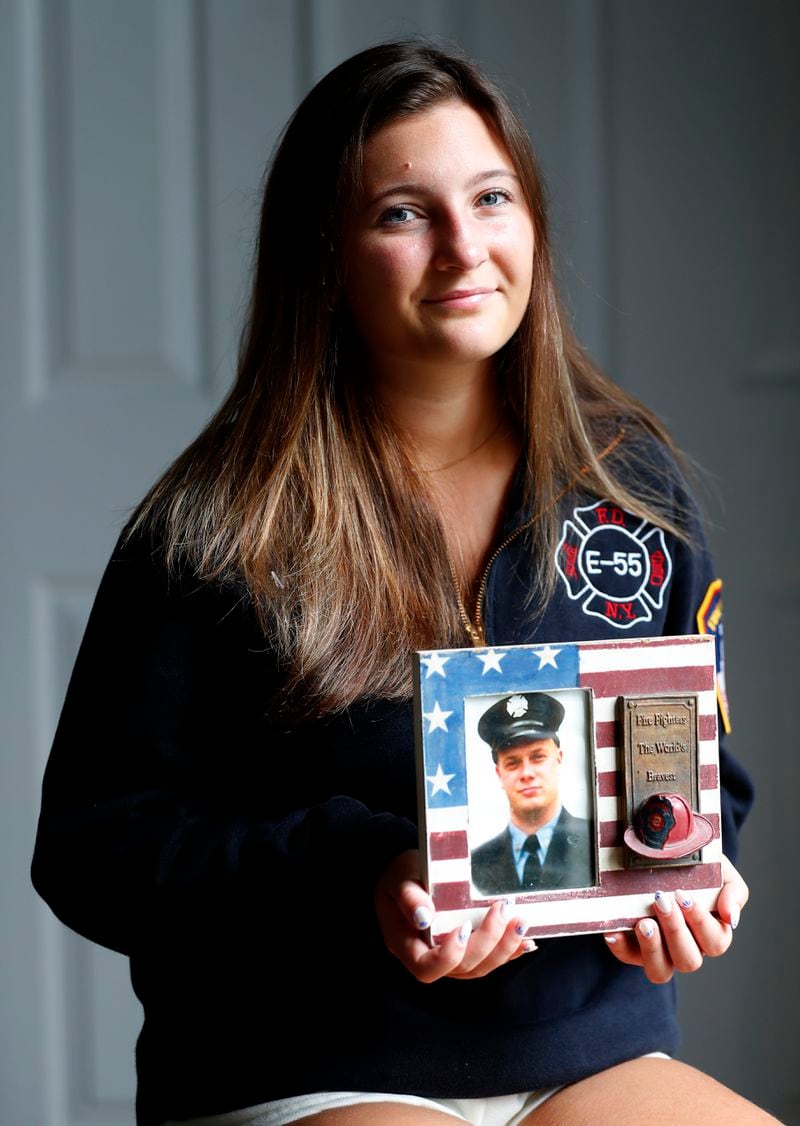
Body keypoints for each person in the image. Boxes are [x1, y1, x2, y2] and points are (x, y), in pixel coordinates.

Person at [31, 39, 773, 1126]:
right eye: (401, 213)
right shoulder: (214, 526)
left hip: (587, 1049)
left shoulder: (633, 487)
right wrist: (362, 878)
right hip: (307, 1056)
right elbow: (94, 845)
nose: (463, 247)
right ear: (323, 255)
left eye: (489, 197)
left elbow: (696, 763)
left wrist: (688, 873)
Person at [471, 692, 594, 895]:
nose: (526, 773)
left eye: (538, 757)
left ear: (559, 759)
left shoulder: (595, 841)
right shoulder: (476, 863)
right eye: (512, 763)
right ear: (499, 773)